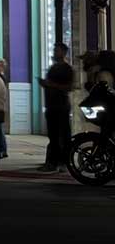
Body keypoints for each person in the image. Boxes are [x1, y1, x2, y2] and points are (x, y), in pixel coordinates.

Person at [38, 42, 74, 173]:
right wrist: (45, 84)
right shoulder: (53, 68)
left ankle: (63, 162)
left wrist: (51, 85)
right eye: (54, 50)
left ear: (64, 52)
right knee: (52, 136)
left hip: (61, 106)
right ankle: (52, 162)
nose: (54, 52)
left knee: (63, 135)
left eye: (57, 50)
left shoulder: (67, 68)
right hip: (51, 106)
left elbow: (69, 87)